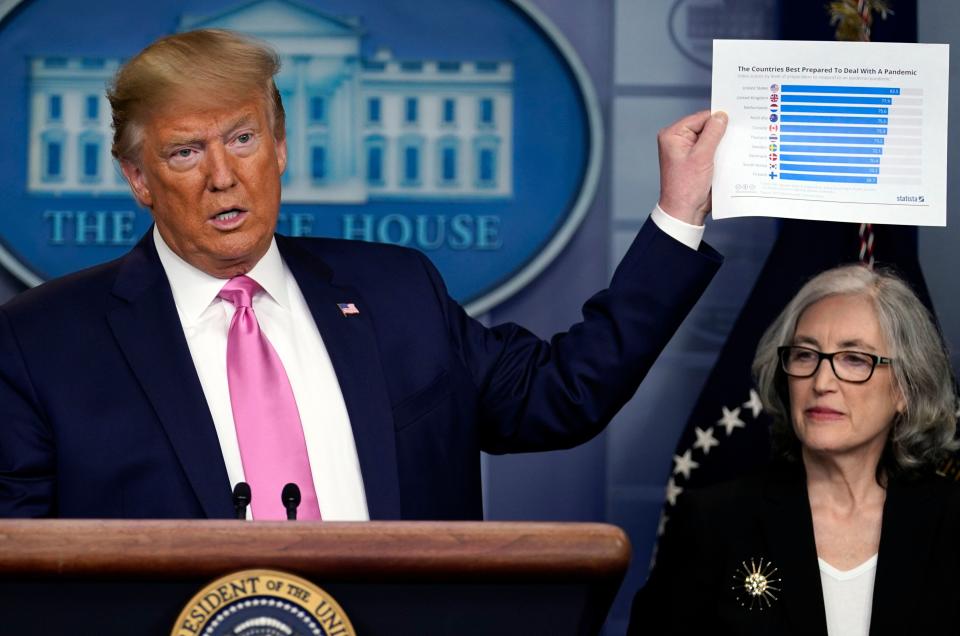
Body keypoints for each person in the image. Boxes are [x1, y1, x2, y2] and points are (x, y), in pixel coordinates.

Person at [0, 29, 726, 520]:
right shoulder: (42, 343)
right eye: (186, 152)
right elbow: (24, 569)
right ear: (137, 177)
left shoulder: (394, 292)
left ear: (280, 147)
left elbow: (560, 395)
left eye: (243, 138)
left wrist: (678, 215)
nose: (223, 177)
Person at [628, 264, 960, 635]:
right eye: (805, 355)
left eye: (854, 359)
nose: (821, 382)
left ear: (904, 388)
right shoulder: (714, 520)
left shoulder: (951, 522)